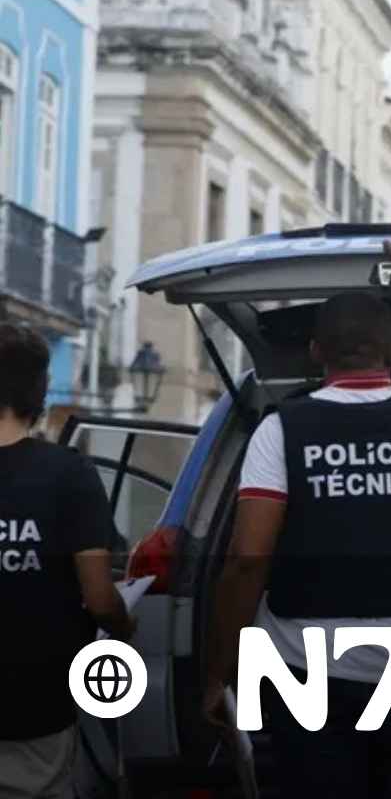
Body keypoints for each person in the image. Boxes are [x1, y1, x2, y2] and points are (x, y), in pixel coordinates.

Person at [203, 225, 391, 798]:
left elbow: (247, 561)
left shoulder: (281, 429)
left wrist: (219, 674)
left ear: (315, 353)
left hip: (305, 677)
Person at [0, 323, 136, 798]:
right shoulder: (69, 474)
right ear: (39, 394)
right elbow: (99, 598)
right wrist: (125, 626)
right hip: (36, 701)